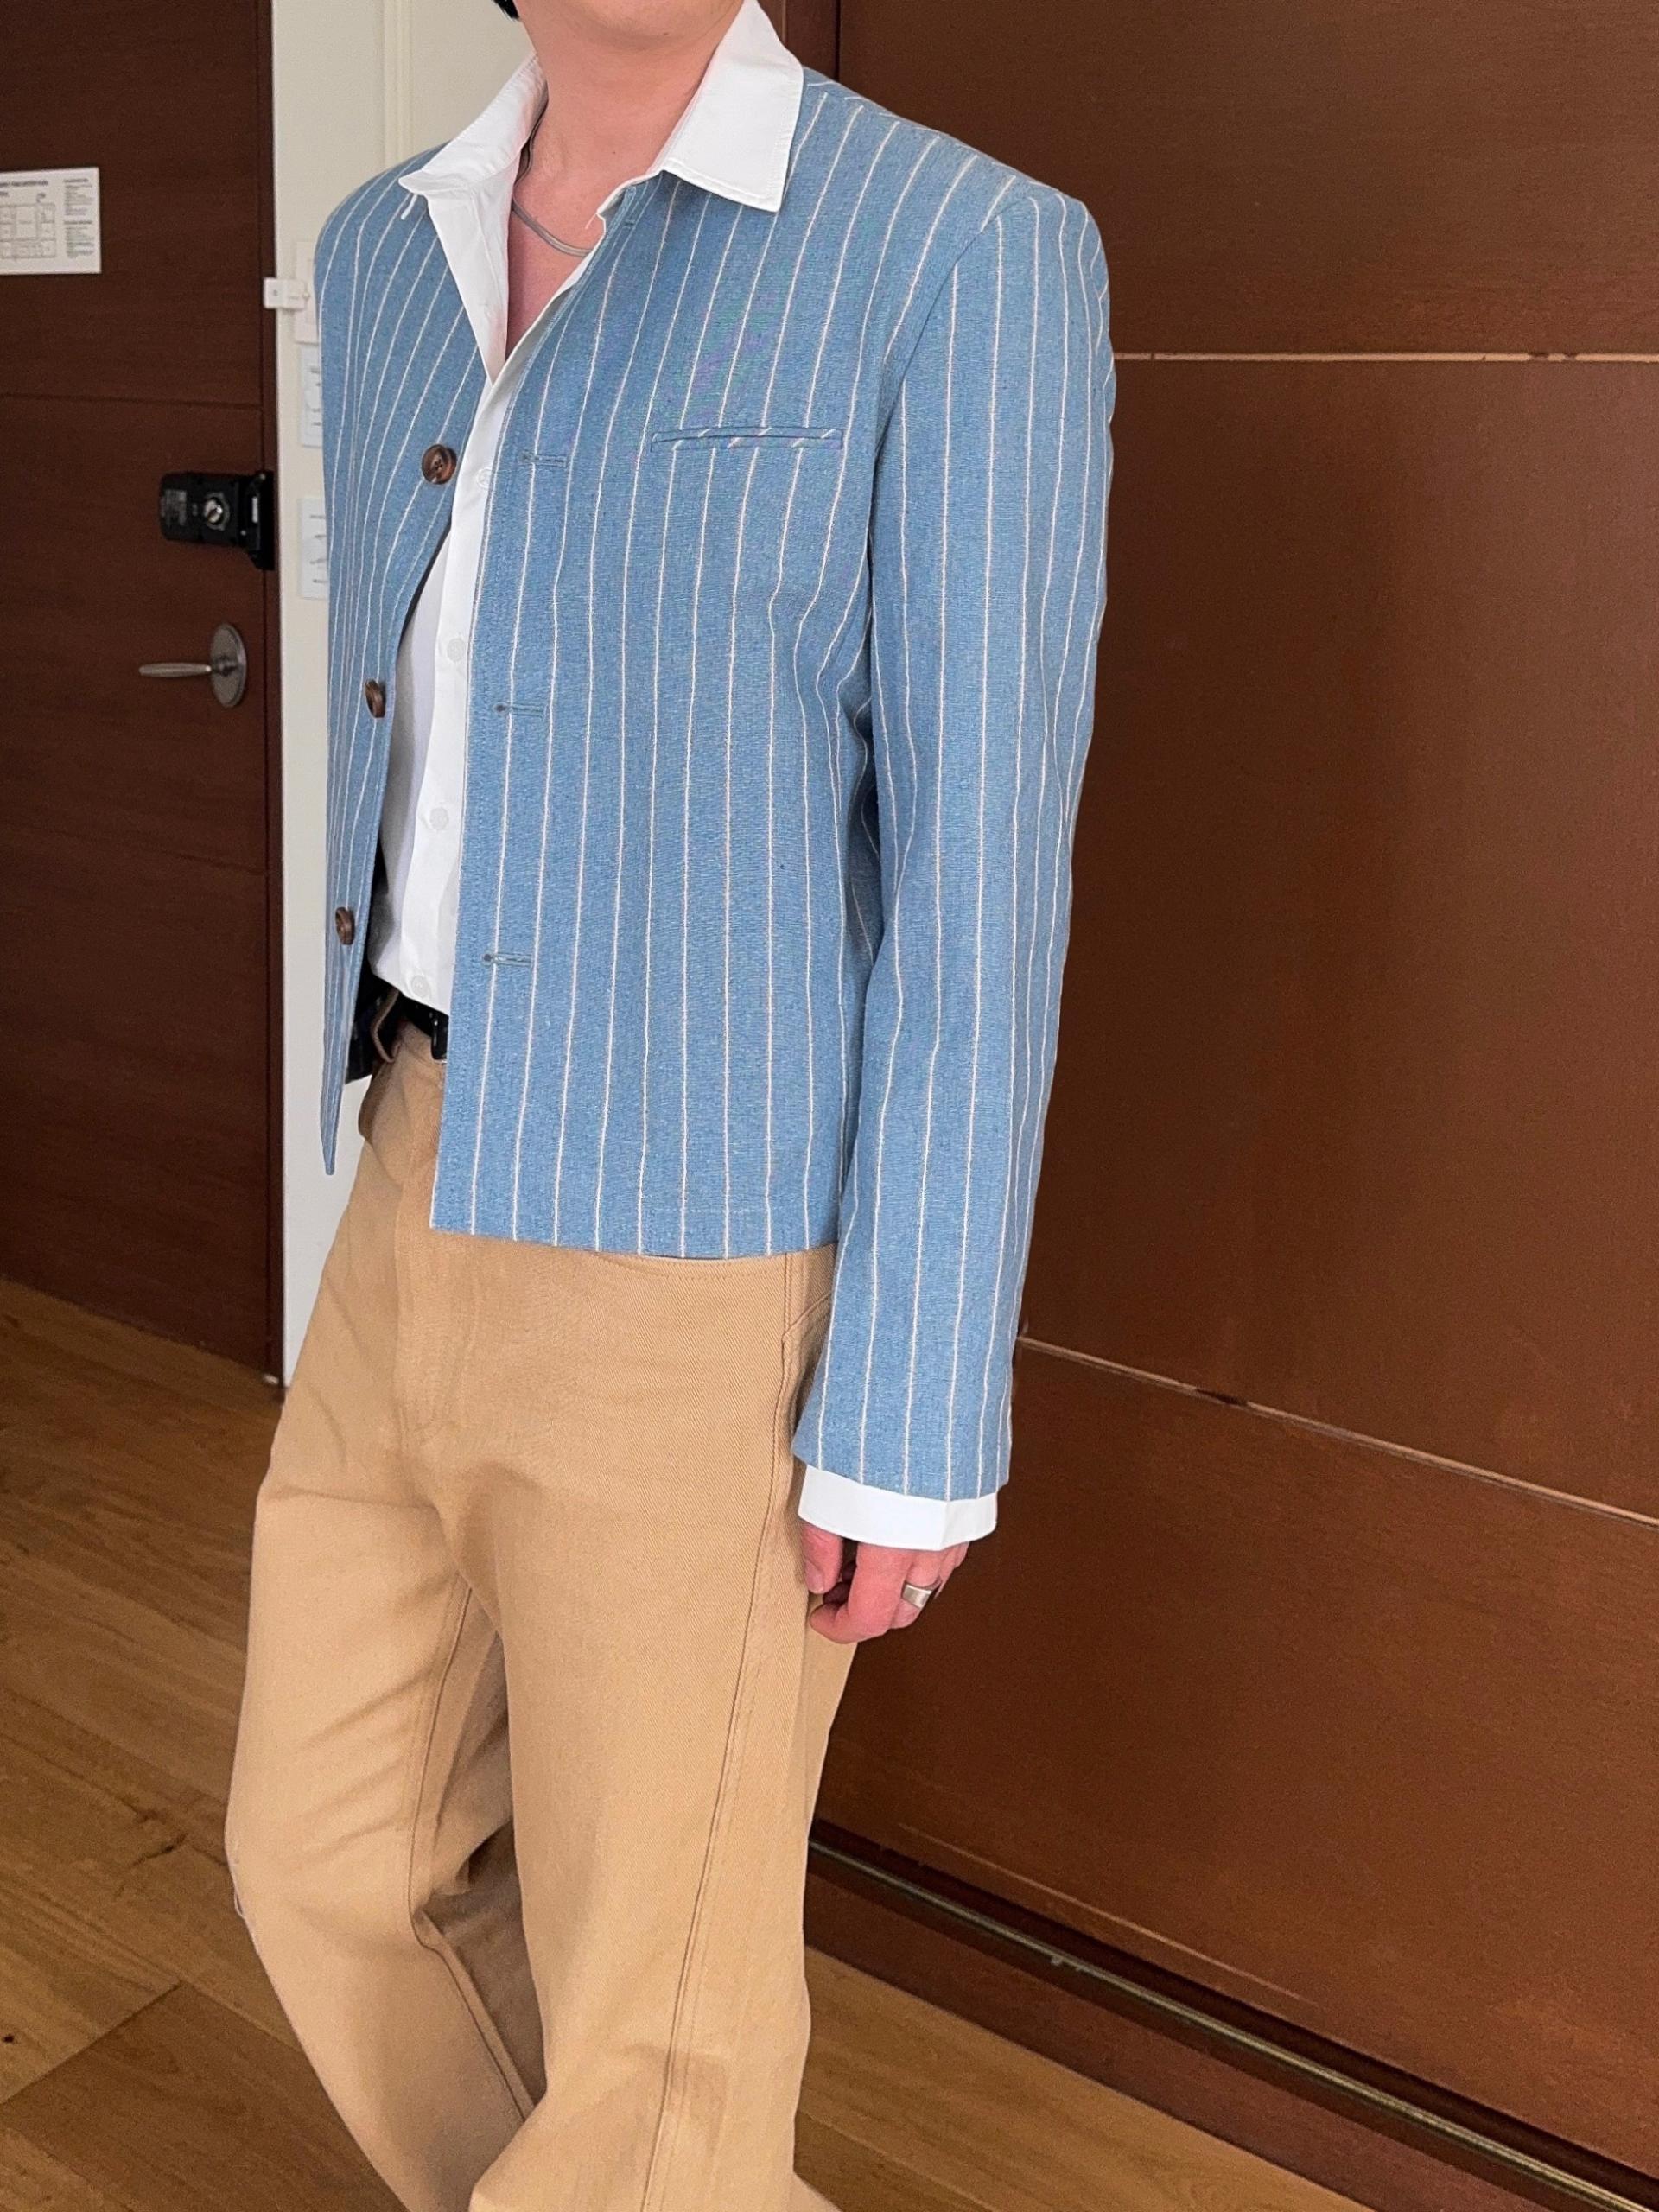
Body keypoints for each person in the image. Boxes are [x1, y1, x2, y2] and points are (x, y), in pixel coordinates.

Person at [225, 3, 1113, 2207]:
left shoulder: (957, 251)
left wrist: (914, 1399)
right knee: (323, 1855)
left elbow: (980, 880)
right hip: (416, 1166)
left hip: (702, 1258)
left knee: (658, 2034)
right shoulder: (381, 251)